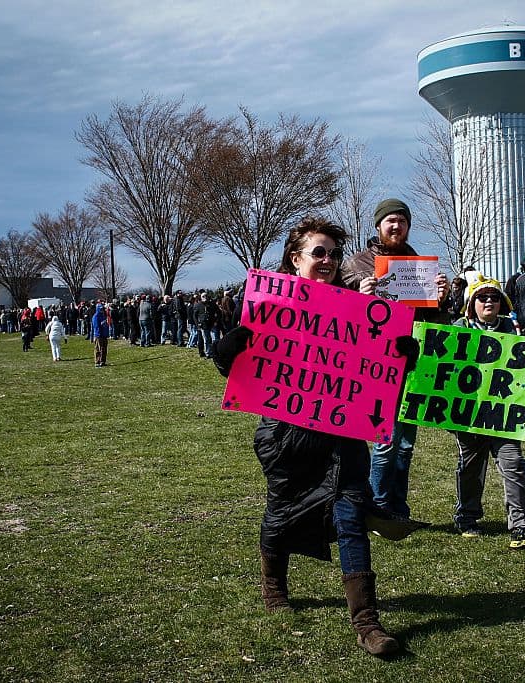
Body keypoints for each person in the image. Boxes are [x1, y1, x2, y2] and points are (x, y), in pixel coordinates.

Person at [214, 216, 415, 657]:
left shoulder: (354, 307)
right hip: (287, 437)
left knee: (350, 516)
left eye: (334, 254)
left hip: (342, 438)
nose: (327, 260)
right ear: (296, 257)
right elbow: (232, 367)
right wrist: (237, 342)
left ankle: (367, 622)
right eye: (318, 252)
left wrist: (401, 350)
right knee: (281, 511)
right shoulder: (270, 305)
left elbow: (386, 373)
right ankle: (274, 585)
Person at [340, 198, 449, 521]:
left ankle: (398, 506)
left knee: (406, 444)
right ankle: (377, 506)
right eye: (390, 220)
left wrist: (440, 300)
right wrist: (360, 295)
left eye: (402, 221)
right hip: (376, 363)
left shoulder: (417, 264)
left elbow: (433, 321)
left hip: (412, 363)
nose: (396, 226)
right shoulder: (358, 264)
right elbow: (338, 311)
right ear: (378, 225)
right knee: (386, 441)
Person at [451, 274, 525, 549]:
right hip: (468, 414)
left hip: (503, 413)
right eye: (482, 298)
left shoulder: (512, 330)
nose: (489, 302)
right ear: (472, 304)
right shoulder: (459, 327)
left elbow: (522, 370)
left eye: (494, 297)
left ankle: (522, 525)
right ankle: (467, 517)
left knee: (513, 463)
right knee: (470, 467)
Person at [91, 303, 110, 367]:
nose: (102, 310)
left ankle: (103, 361)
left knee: (104, 349)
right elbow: (96, 327)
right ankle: (97, 361)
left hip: (104, 334)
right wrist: (99, 334)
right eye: (101, 309)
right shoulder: (96, 316)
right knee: (98, 349)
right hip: (99, 335)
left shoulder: (103, 315)